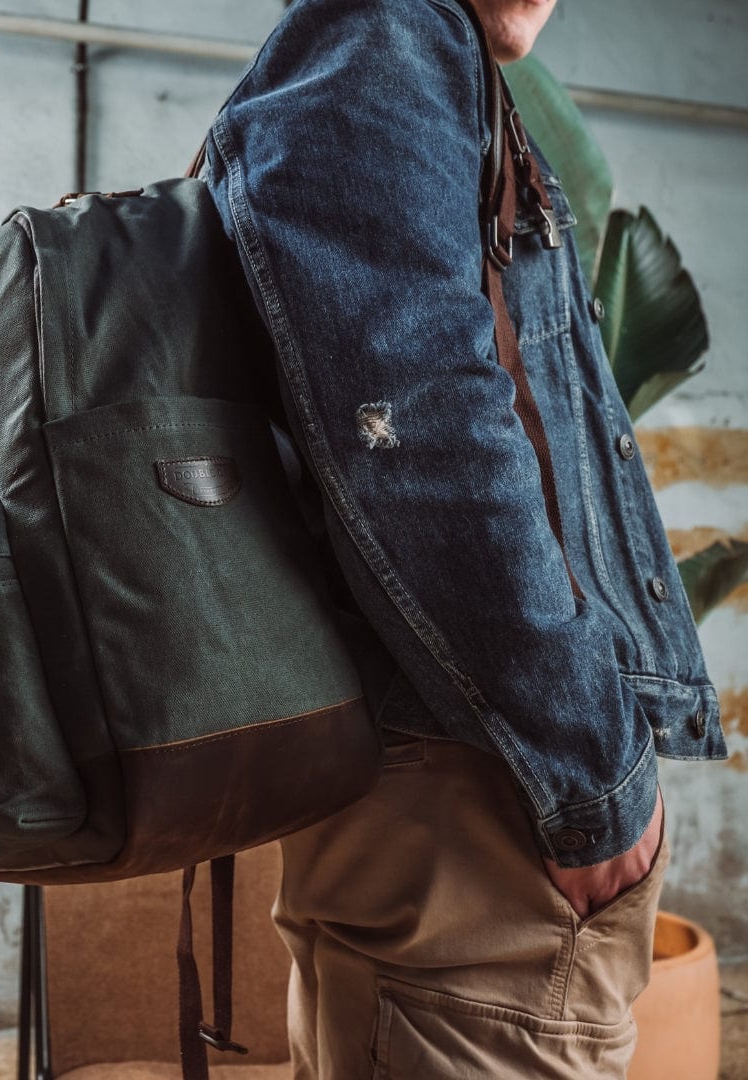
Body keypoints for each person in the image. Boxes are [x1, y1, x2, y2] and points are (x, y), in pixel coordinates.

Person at [200, 0, 726, 1076]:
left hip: (464, 789)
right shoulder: (385, 34)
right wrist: (590, 782)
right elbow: (422, 433)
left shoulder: (394, 49)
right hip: (482, 800)